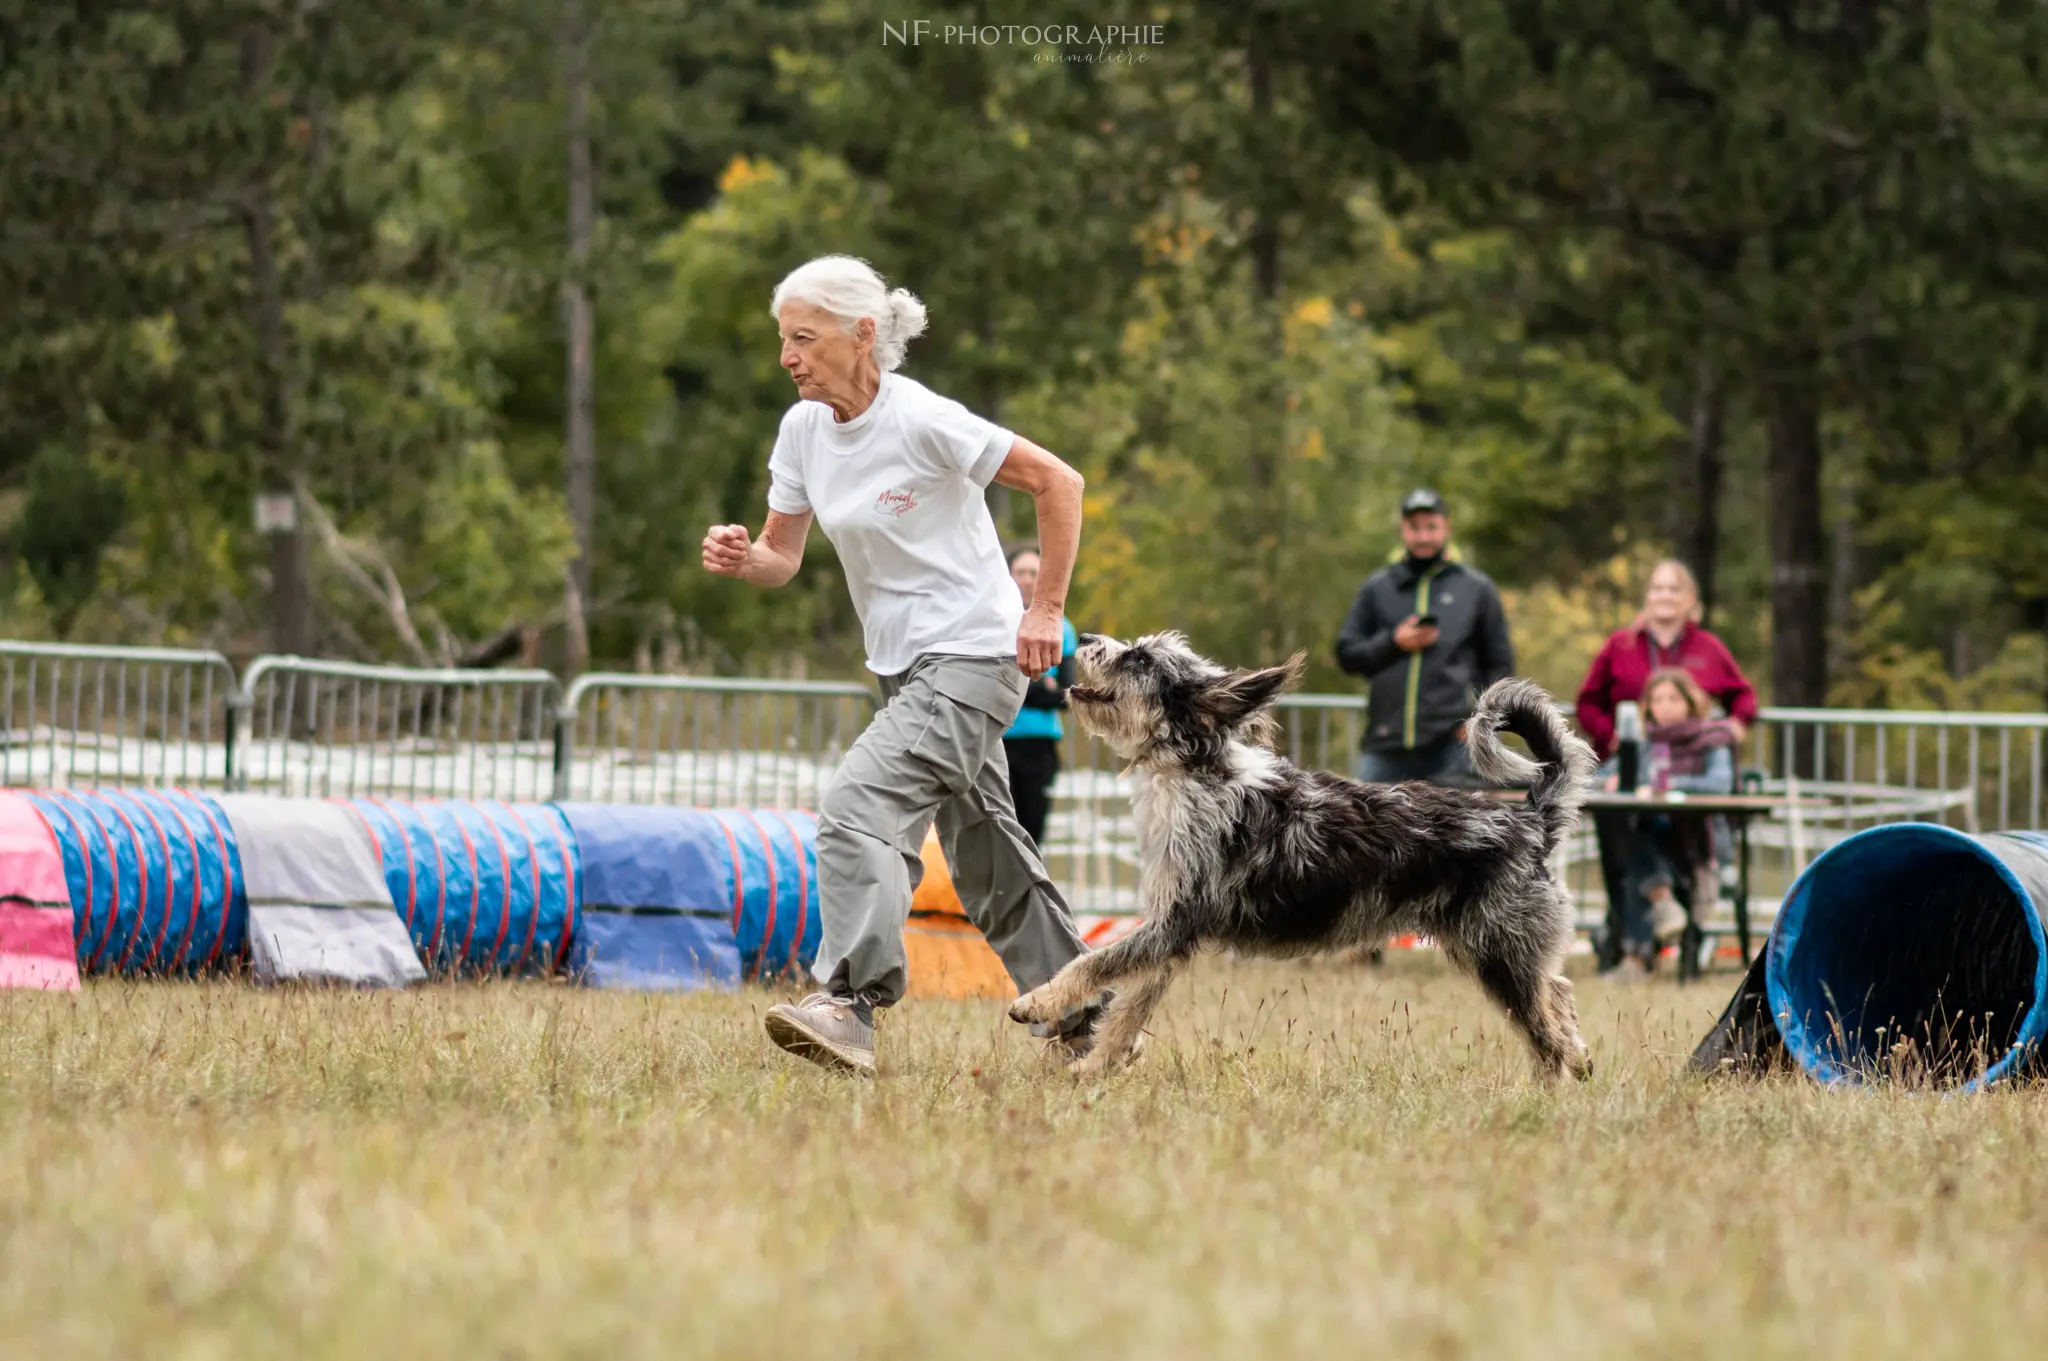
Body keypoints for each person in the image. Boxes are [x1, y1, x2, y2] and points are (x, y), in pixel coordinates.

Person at [701, 254, 1099, 1074]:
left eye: (803, 338)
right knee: (987, 854)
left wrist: (1047, 610)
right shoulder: (802, 430)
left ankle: (850, 1001)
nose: (788, 356)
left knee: (859, 802)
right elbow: (783, 554)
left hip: (975, 654)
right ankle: (1089, 1014)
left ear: (862, 334)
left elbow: (1059, 482)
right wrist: (746, 558)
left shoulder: (924, 419)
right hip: (905, 666)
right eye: (783, 339)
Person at [1574, 558, 1758, 973]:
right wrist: (1613, 738)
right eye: (1657, 588)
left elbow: (1743, 697)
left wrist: (1734, 727)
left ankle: (1645, 943)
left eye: (1674, 588)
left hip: (1689, 784)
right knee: (1620, 838)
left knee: (1656, 838)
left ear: (1690, 599)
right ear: (1646, 596)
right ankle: (1632, 941)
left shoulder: (1708, 648)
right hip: (1630, 768)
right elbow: (1587, 701)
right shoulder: (1620, 646)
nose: (1664, 596)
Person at [1335, 488, 1515, 786]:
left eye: (1431, 527)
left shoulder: (1476, 589)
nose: (1423, 537)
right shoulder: (1377, 587)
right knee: (1368, 830)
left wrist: (1479, 722)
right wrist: (1393, 643)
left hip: (1452, 746)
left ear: (1446, 526)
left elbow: (1499, 665)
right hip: (1385, 744)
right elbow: (1347, 654)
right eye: (1414, 528)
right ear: (1403, 529)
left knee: (1456, 832)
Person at [1601, 667, 1740, 976]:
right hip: (1652, 838)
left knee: (1633, 846)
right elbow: (1599, 777)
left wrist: (1669, 784)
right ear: (1647, 706)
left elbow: (1719, 783)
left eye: (1673, 698)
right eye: (1657, 699)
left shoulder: (1712, 738)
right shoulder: (1644, 743)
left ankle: (1636, 957)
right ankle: (1661, 900)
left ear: (1691, 702)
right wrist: (1610, 780)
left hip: (1696, 841)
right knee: (1626, 830)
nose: (1664, 706)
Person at [1000, 546, 1076, 851]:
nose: (1028, 580)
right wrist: (1039, 682)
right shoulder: (994, 623)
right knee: (997, 835)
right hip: (996, 741)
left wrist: (1015, 684)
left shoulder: (1061, 627)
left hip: (1039, 746)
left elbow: (1065, 696)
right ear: (1008, 575)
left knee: (1031, 837)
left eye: (1034, 573)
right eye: (1021, 572)